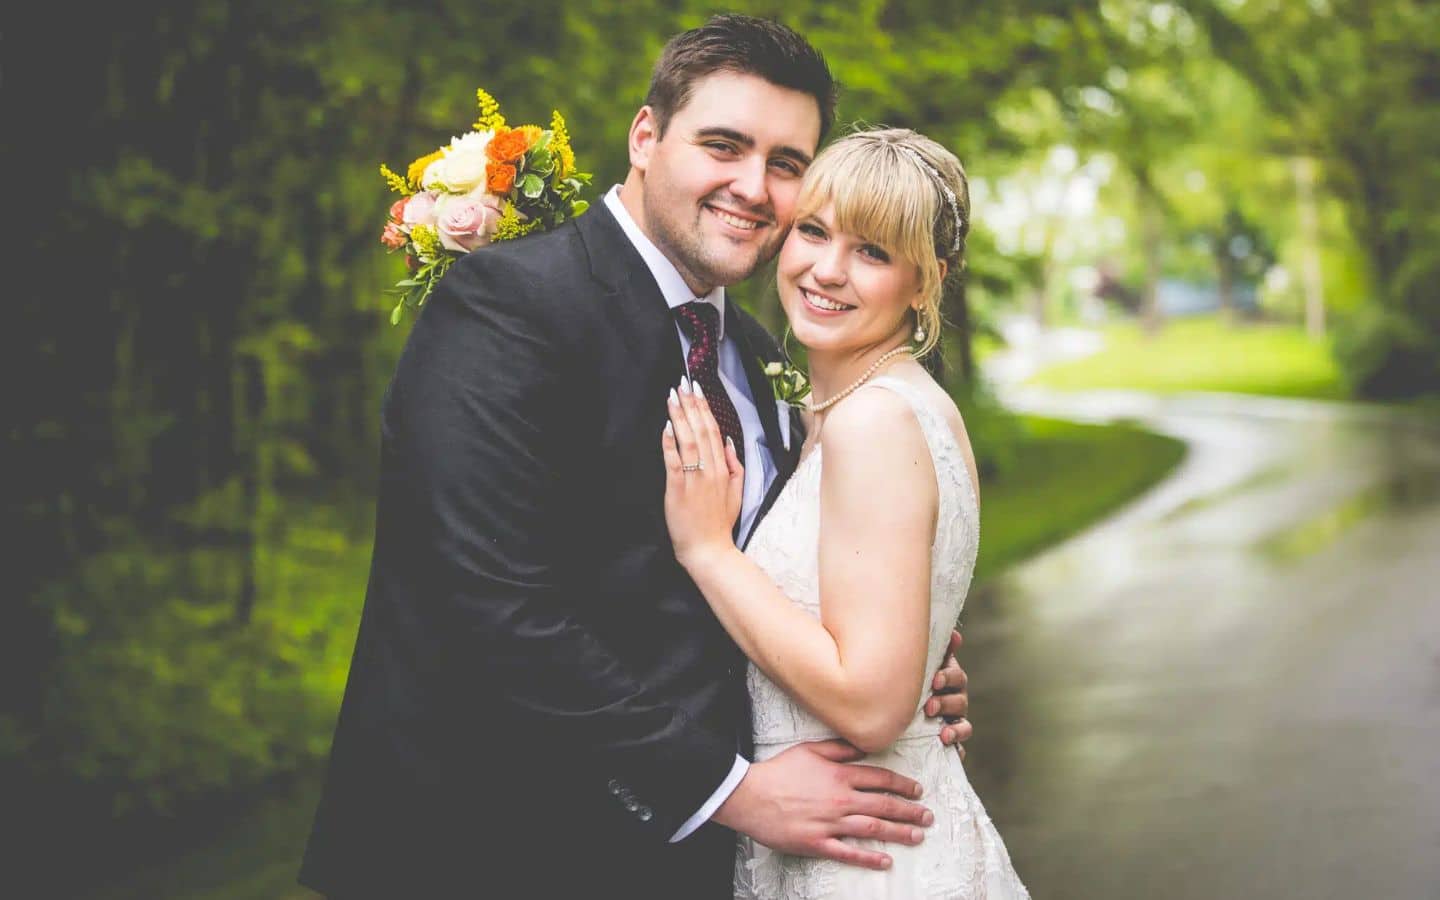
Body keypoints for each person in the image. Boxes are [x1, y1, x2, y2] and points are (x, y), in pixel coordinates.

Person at [298, 16, 973, 899]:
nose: (752, 187)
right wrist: (730, 790)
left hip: (694, 867)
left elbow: (764, 588)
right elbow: (491, 600)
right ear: (646, 138)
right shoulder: (507, 303)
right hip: (497, 850)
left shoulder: (767, 357)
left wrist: (890, 656)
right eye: (723, 145)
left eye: (785, 163)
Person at [661, 127, 1029, 898]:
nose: (826, 271)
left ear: (925, 284)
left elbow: (869, 704)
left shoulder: (874, 423)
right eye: (815, 232)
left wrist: (707, 551)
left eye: (873, 252)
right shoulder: (869, 409)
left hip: (868, 859)